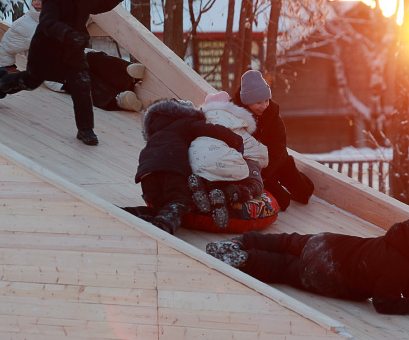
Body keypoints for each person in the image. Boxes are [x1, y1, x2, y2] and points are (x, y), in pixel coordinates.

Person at [0, 0, 142, 146]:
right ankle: (3, 83)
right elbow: (48, 22)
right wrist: (69, 34)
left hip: (72, 51)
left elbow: (101, 3)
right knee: (31, 81)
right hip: (46, 51)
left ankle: (86, 130)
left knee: (82, 84)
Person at [205, 215, 409, 317]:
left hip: (329, 243)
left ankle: (241, 242)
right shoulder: (397, 265)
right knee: (284, 267)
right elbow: (384, 302)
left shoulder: (394, 244)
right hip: (331, 273)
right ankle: (248, 259)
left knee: (287, 241)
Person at [132, 98, 245, 235]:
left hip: (146, 171)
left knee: (161, 206)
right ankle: (163, 226)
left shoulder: (158, 130)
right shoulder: (186, 122)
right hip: (171, 165)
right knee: (179, 201)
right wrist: (236, 140)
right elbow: (212, 130)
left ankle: (130, 214)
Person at [188, 90, 270, 228]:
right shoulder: (235, 123)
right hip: (224, 162)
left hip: (196, 162)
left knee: (211, 171)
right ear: (230, 107)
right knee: (253, 175)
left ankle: (203, 187)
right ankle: (230, 194)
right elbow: (261, 155)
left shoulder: (198, 123)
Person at [237, 69, 315, 211]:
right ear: (246, 101)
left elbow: (279, 146)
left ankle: (293, 179)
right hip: (256, 167)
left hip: (277, 160)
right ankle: (274, 187)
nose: (264, 105)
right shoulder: (237, 115)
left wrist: (269, 171)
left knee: (305, 192)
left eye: (266, 100)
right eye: (258, 102)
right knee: (282, 202)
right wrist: (261, 176)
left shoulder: (272, 115)